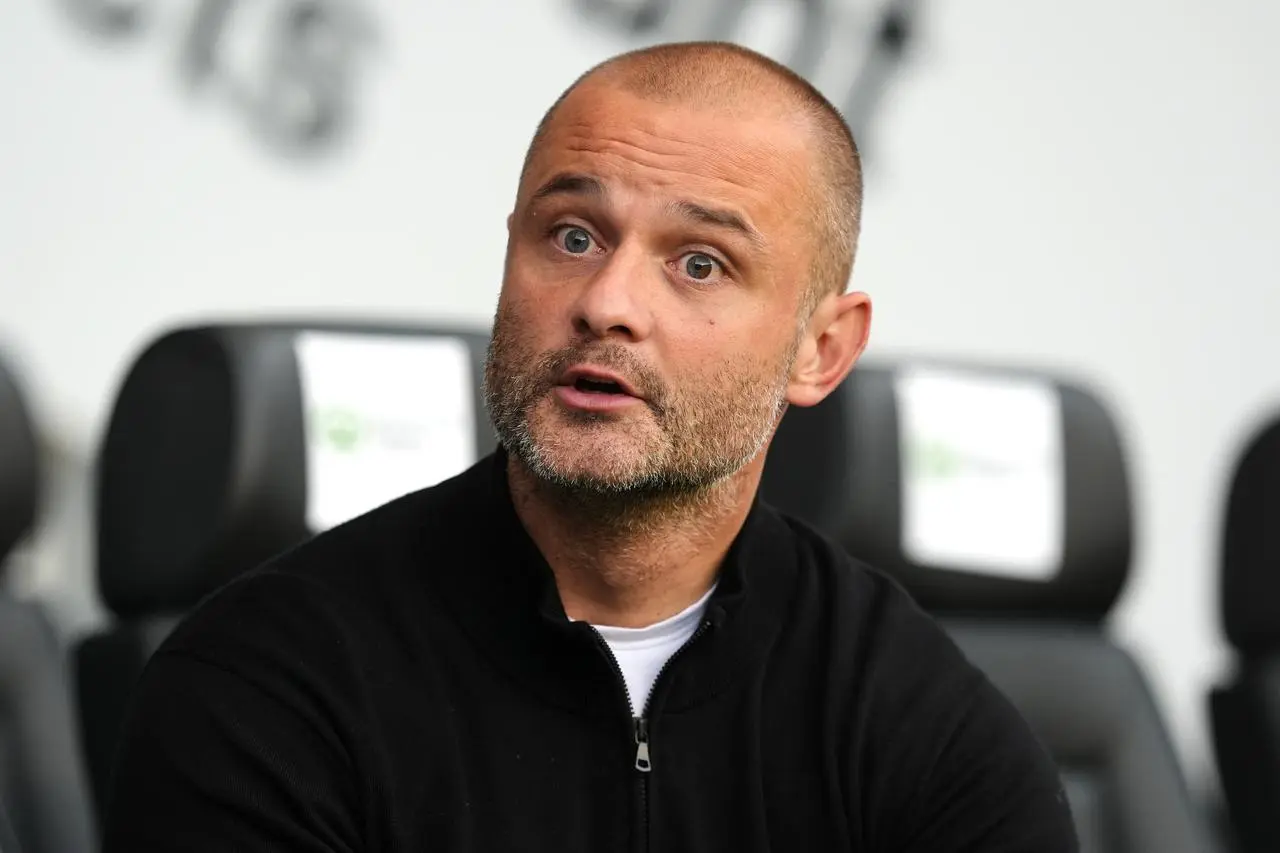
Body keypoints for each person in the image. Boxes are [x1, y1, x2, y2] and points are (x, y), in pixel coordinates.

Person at [102, 41, 1077, 851]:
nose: (605, 304)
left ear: (821, 349)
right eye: (570, 236)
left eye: (699, 263)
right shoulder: (269, 680)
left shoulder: (916, 721)